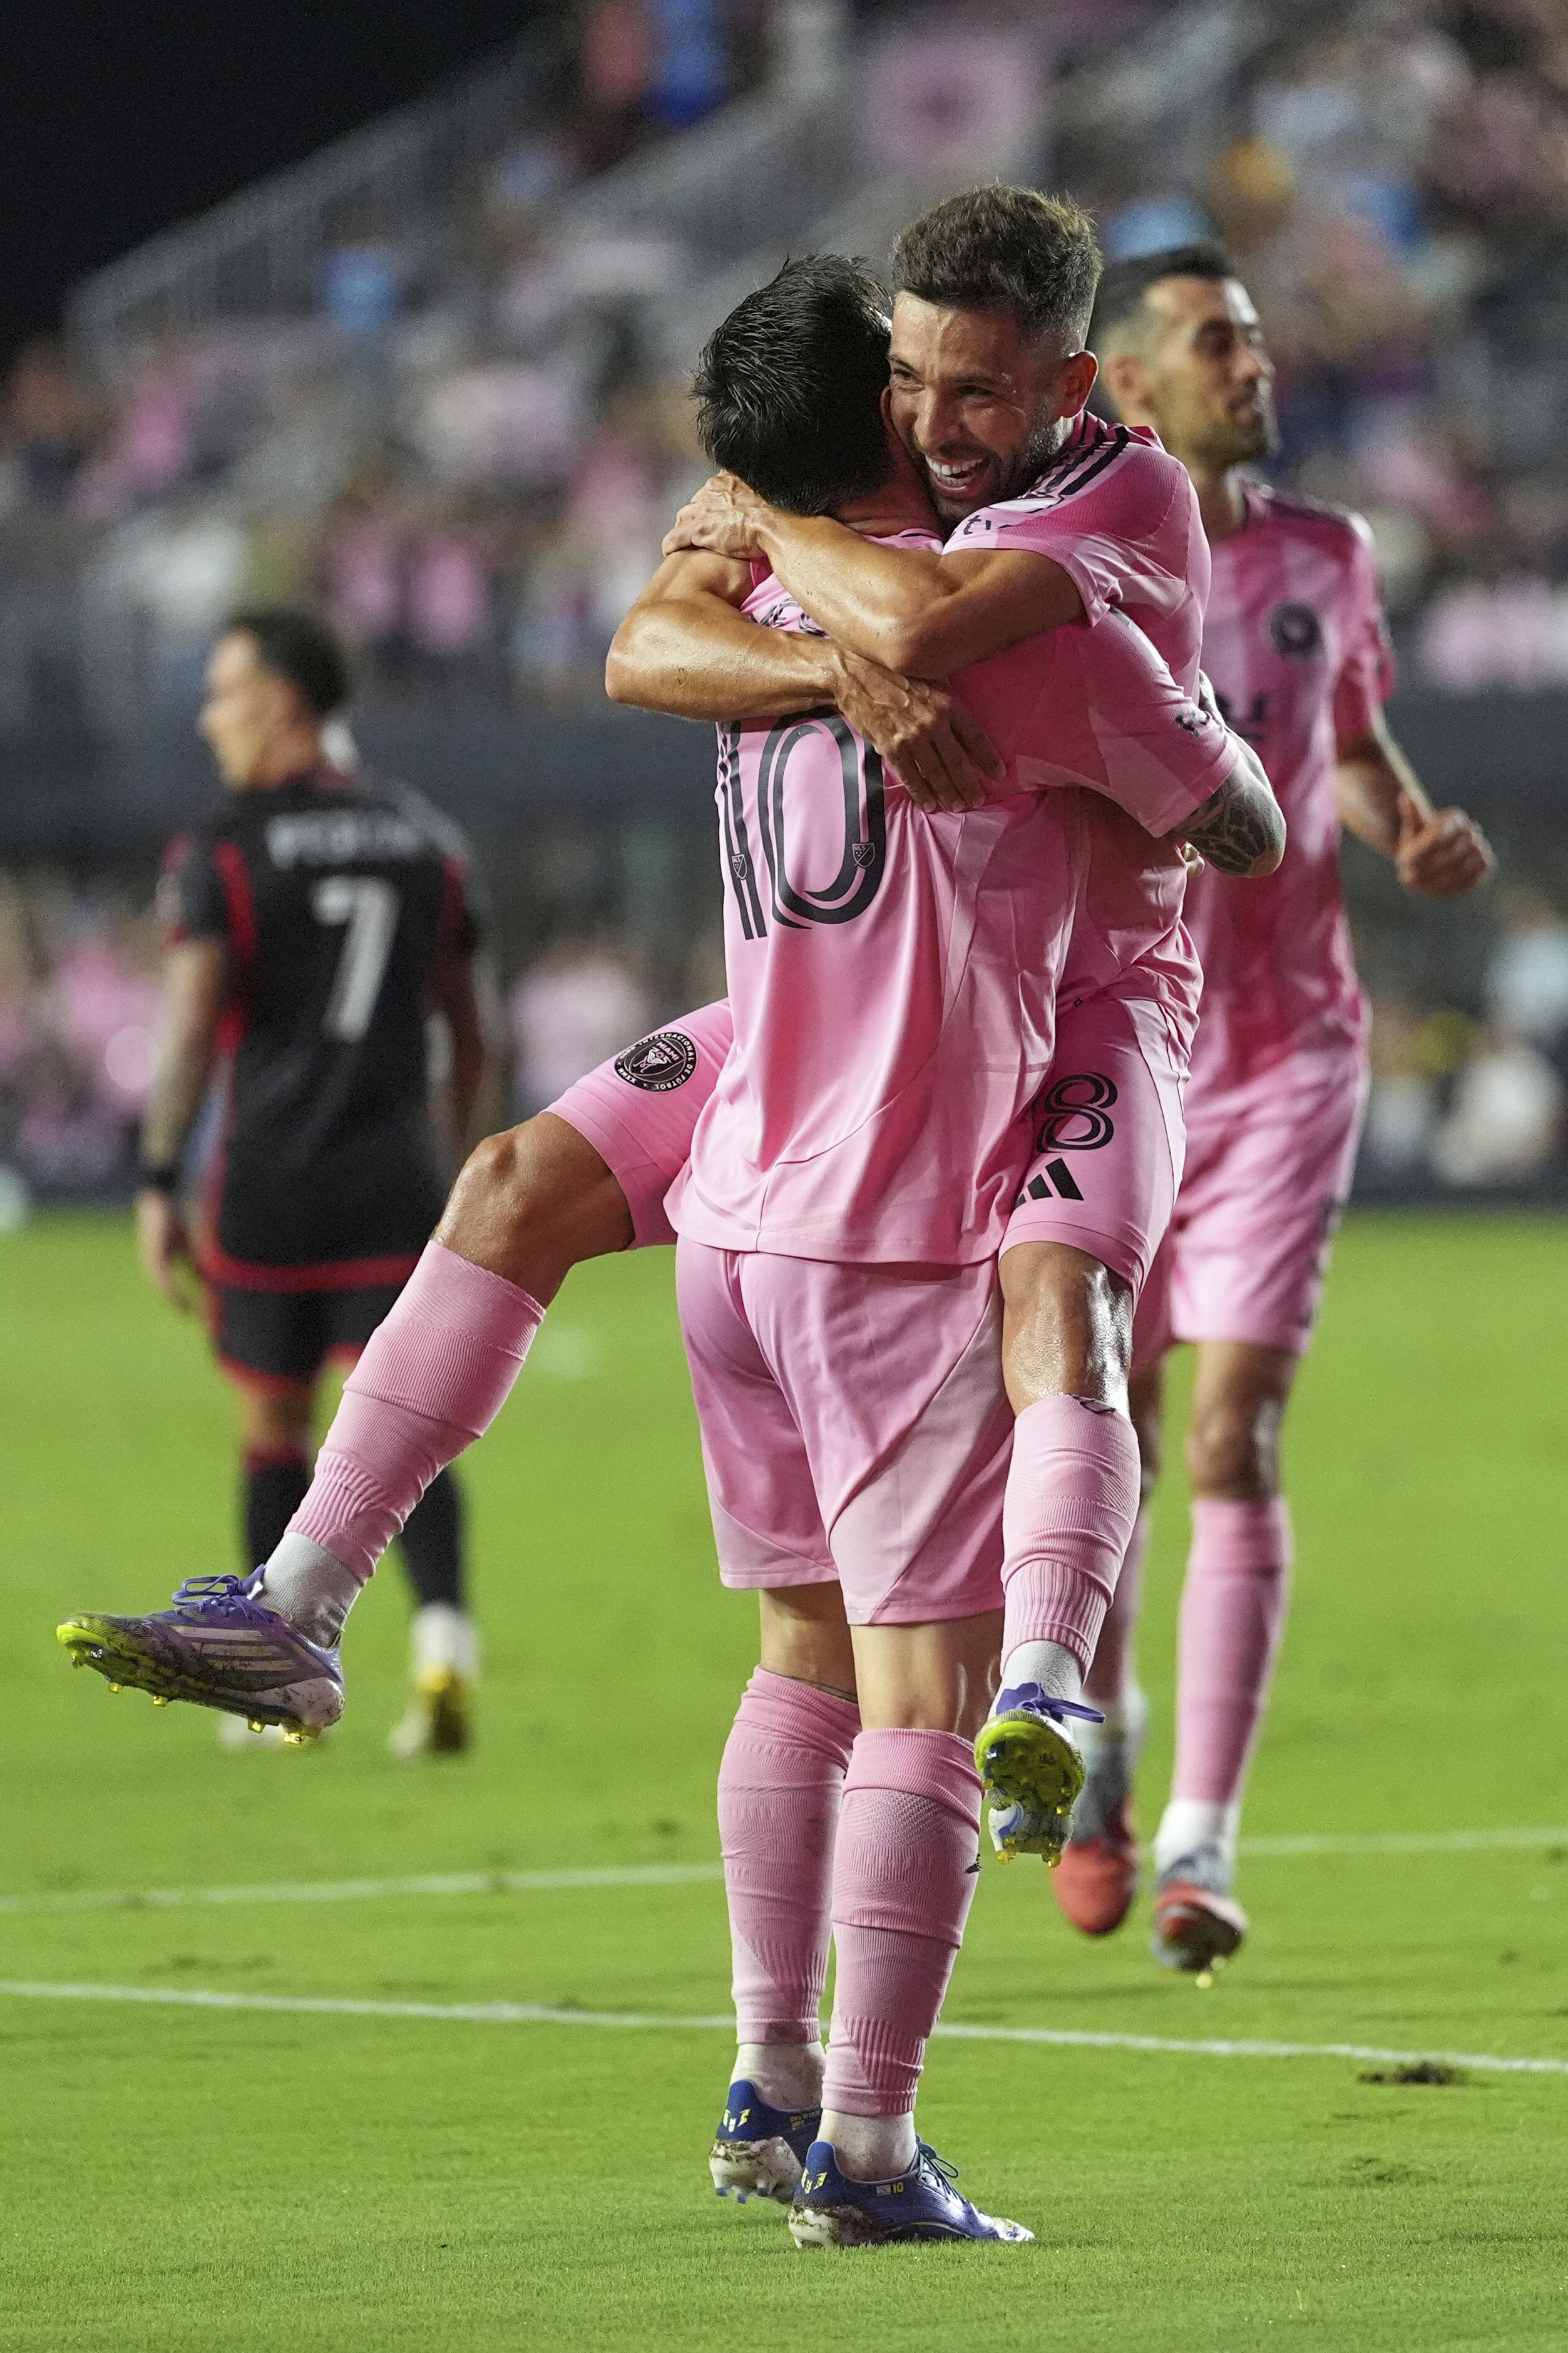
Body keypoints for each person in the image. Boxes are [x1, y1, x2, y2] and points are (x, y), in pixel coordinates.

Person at [57, 224, 1279, 2242]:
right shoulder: (987, 638)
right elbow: (658, 646)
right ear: (875, 398)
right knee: (875, 1635)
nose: (943, 417)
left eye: (974, 386)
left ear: (1067, 381)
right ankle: (853, 2130)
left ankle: (862, 1947)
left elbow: (769, 635)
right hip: (874, 1176)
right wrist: (879, 649)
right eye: (913, 385)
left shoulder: (1075, 518)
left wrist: (795, 550)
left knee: (850, 1548)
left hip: (877, 1121)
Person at [1047, 245, 1493, 1974]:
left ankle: (1201, 1840)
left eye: (1251, 333)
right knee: (1106, 1428)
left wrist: (1415, 829)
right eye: (1214, 340)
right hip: (1120, 1049)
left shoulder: (1328, 556)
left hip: (1291, 1048)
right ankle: (1098, 1743)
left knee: (1229, 1435)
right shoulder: (1077, 563)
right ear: (1137, 388)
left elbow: (1353, 750)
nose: (1254, 361)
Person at [61, 609, 491, 1756]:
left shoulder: (221, 847)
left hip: (271, 1186)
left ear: (287, 700)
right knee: (399, 1428)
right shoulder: (424, 838)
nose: (211, 717)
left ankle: (259, 1683)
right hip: (401, 1183)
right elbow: (468, 1029)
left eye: (225, 691)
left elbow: (194, 1027)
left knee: (273, 1426)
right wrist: (460, 1175)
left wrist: (157, 1175)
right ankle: (444, 1643)